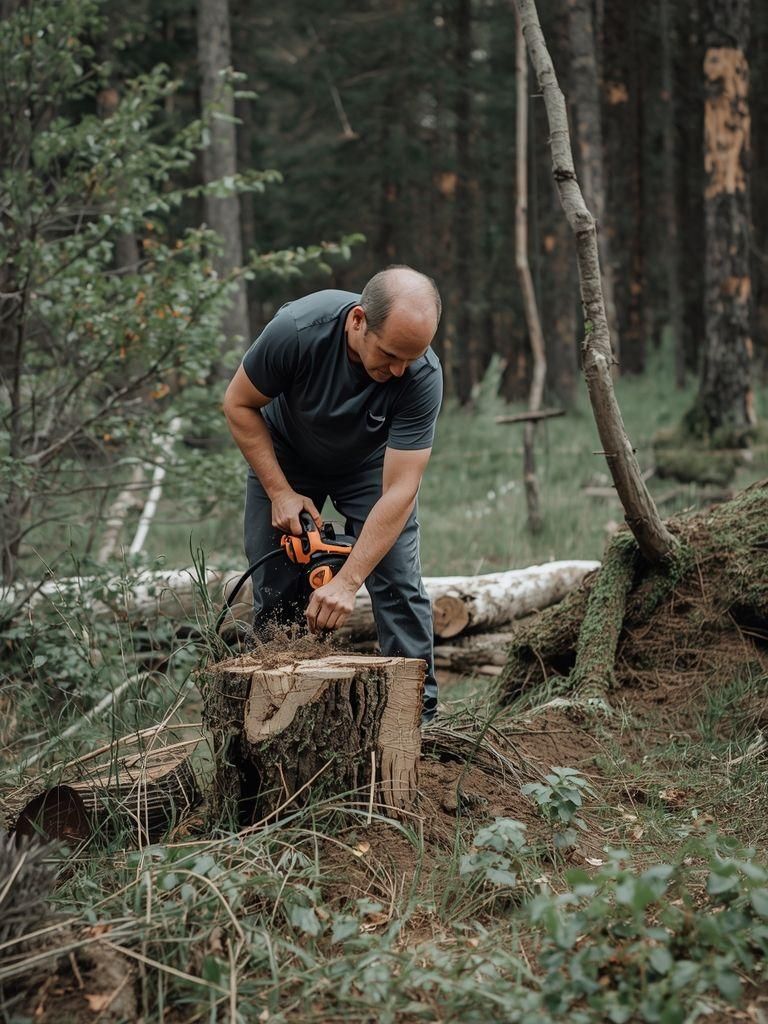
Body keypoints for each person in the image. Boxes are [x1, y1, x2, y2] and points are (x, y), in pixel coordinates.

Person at [222, 265, 443, 722]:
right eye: (389, 355)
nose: (399, 369)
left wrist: (347, 580)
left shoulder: (420, 374)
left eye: (411, 357)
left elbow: (401, 489)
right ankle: (273, 716)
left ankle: (418, 719)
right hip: (284, 455)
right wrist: (280, 492)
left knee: (399, 581)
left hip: (368, 465)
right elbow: (238, 404)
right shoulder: (298, 331)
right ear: (359, 320)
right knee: (277, 583)